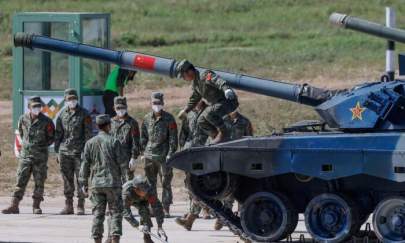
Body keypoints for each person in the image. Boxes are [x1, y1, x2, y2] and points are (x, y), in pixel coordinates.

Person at [2, 96, 55, 214]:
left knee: (39, 181)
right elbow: (21, 133)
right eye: (34, 106)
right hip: (25, 156)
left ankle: (36, 206)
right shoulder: (23, 119)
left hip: (40, 157)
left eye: (39, 106)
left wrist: (39, 146)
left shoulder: (47, 121)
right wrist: (28, 145)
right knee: (20, 180)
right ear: (29, 108)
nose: (37, 108)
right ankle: (14, 205)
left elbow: (51, 138)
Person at [79, 114, 124, 243]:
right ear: (108, 126)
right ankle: (115, 240)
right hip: (113, 184)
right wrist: (126, 181)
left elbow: (85, 164)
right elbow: (122, 163)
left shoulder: (89, 143)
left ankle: (97, 240)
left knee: (98, 215)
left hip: (96, 184)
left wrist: (83, 183)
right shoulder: (114, 141)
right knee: (115, 213)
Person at [176, 59, 238, 144]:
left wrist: (226, 89)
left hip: (227, 101)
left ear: (189, 71)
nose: (184, 78)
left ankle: (223, 133)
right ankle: (216, 136)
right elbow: (194, 99)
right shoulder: (195, 83)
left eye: (183, 76)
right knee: (200, 120)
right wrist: (185, 111)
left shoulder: (204, 75)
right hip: (217, 105)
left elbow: (218, 81)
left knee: (209, 113)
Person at [212, 110, 254, 230]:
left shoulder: (245, 122)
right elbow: (218, 137)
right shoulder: (223, 121)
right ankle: (222, 218)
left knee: (242, 190)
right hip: (226, 159)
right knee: (227, 190)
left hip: (241, 160)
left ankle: (242, 219)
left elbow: (250, 140)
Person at [55, 88, 93, 215]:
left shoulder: (85, 114)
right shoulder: (61, 114)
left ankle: (80, 205)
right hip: (64, 152)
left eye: (74, 98)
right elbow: (59, 134)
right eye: (69, 99)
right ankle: (68, 205)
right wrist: (56, 151)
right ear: (65, 100)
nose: (72, 101)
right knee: (67, 179)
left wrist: (86, 152)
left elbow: (88, 135)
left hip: (79, 152)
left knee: (81, 179)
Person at [176, 101, 212, 231]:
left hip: (203, 153)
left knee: (200, 185)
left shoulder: (210, 112)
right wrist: (182, 149)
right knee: (191, 185)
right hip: (190, 152)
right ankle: (191, 217)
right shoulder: (189, 114)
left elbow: (214, 133)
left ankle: (196, 214)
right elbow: (184, 133)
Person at [140, 92, 178, 218]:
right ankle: (153, 208)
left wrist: (171, 153)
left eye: (159, 103)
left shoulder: (169, 118)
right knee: (150, 184)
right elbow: (143, 137)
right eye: (154, 103)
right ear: (151, 104)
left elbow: (173, 138)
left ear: (163, 104)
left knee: (166, 182)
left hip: (164, 156)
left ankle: (166, 208)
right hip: (150, 156)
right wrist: (142, 152)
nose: (156, 105)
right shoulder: (146, 118)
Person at [122, 175, 166, 243]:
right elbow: (125, 211)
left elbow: (157, 207)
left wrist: (160, 226)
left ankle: (147, 238)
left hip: (142, 201)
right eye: (143, 190)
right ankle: (111, 238)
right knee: (115, 217)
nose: (146, 192)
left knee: (145, 211)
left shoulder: (149, 191)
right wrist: (137, 225)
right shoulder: (126, 192)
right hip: (125, 200)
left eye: (146, 190)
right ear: (136, 189)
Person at [111, 96, 141, 183]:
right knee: (114, 184)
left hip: (127, 159)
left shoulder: (132, 123)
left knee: (128, 185)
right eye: (118, 108)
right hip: (113, 158)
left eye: (123, 107)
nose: (121, 110)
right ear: (114, 108)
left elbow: (136, 142)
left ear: (126, 107)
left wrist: (133, 158)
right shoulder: (111, 122)